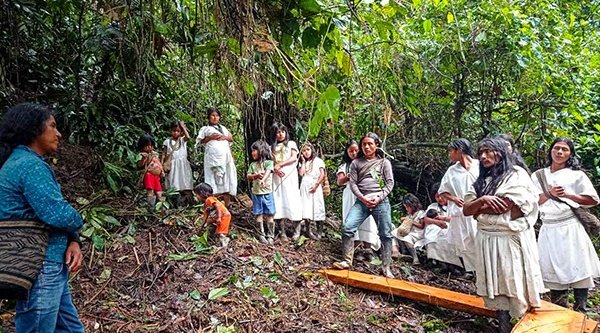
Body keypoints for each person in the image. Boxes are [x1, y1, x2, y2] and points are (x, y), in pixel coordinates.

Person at [0, 103, 85, 332]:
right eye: (53, 126)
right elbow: (57, 213)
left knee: (70, 329)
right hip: (41, 266)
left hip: (49, 262)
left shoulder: (21, 162)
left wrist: (74, 239)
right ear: (34, 130)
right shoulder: (30, 166)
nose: (58, 133)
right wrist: (79, 222)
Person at [463, 137, 544, 332]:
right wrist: (483, 199)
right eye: (480, 153)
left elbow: (507, 207)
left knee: (512, 279)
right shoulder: (481, 180)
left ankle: (522, 323)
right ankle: (503, 323)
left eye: (488, 151)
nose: (483, 156)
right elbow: (466, 209)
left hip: (508, 238)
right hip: (487, 238)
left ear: (500, 153)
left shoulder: (517, 175)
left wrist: (478, 209)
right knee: (495, 281)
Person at [531, 137, 600, 311]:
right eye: (556, 148)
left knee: (579, 266)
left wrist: (569, 195)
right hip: (549, 227)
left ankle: (581, 310)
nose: (560, 152)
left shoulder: (577, 175)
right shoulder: (538, 175)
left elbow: (592, 200)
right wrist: (550, 193)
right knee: (553, 268)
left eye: (564, 149)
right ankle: (559, 310)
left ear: (570, 154)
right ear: (550, 150)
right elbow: (532, 202)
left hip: (571, 227)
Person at [333, 132, 395, 278]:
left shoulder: (384, 162)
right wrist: (362, 197)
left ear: (376, 145)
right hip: (361, 201)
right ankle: (347, 260)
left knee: (385, 234)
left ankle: (386, 267)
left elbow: (390, 183)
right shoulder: (356, 163)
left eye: (370, 144)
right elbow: (353, 183)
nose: (366, 147)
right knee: (348, 227)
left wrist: (379, 197)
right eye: (364, 144)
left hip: (380, 201)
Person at [438, 138, 479, 273]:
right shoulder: (452, 171)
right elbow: (443, 191)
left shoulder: (478, 166)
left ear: (459, 150)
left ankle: (483, 271)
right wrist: (454, 198)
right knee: (464, 243)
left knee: (479, 240)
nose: (449, 154)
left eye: (451, 151)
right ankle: (472, 271)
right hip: (460, 213)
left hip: (478, 211)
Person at [336, 140, 381, 261]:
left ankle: (368, 248)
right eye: (351, 151)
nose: (354, 153)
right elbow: (339, 181)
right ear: (347, 152)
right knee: (352, 220)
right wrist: (348, 176)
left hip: (365, 193)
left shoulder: (366, 162)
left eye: (356, 150)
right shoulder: (344, 166)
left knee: (367, 220)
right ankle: (355, 249)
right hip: (350, 194)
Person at [196, 107, 237, 207]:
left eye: (217, 116)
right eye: (212, 115)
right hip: (212, 159)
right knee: (212, 180)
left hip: (225, 158)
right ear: (209, 117)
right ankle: (214, 205)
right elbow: (200, 141)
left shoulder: (223, 128)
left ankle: (227, 206)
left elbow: (231, 138)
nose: (215, 118)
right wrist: (210, 138)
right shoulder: (205, 129)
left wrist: (224, 137)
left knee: (226, 179)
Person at [419, 182, 463, 274]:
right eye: (437, 196)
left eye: (442, 196)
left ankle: (454, 266)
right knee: (432, 234)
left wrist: (444, 220)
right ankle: (442, 264)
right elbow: (425, 219)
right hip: (436, 231)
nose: (439, 199)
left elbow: (460, 219)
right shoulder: (433, 206)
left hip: (452, 230)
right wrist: (437, 222)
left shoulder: (455, 206)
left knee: (449, 239)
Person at [270, 122, 302, 241]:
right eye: (278, 132)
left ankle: (296, 231)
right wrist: (275, 168)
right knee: (278, 201)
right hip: (277, 179)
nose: (280, 134)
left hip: (290, 177)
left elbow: (294, 158)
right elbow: (270, 163)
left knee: (293, 200)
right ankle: (282, 231)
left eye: (282, 132)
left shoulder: (291, 144)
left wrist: (280, 165)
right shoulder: (271, 148)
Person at [247, 140, 276, 244]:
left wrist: (263, 179)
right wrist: (255, 176)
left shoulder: (269, 163)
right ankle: (261, 234)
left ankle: (271, 235)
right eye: (252, 151)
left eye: (255, 150)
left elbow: (268, 171)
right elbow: (248, 176)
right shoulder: (253, 165)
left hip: (268, 192)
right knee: (258, 213)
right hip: (256, 193)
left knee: (270, 214)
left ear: (261, 150)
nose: (253, 153)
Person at [298, 142, 326, 240]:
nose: (306, 152)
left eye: (308, 150)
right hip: (305, 186)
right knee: (306, 208)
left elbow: (322, 174)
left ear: (312, 150)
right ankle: (308, 230)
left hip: (315, 185)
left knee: (318, 207)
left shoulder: (318, 161)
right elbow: (301, 174)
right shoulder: (302, 162)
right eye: (304, 151)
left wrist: (317, 184)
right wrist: (303, 162)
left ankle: (319, 231)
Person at [162, 120, 193, 206]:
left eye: (178, 131)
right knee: (173, 183)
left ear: (181, 132)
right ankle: (173, 204)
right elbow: (163, 154)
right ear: (170, 131)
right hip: (172, 165)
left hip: (183, 165)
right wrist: (162, 166)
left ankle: (187, 203)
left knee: (185, 183)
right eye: (174, 131)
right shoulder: (167, 142)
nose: (175, 133)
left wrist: (183, 127)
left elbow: (188, 137)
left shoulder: (182, 140)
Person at [193, 182, 231, 247]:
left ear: (201, 193)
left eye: (196, 195)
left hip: (224, 216)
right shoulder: (206, 204)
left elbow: (218, 207)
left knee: (221, 233)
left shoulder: (209, 199)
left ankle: (224, 245)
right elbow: (206, 217)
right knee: (218, 232)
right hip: (223, 215)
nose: (196, 197)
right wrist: (201, 228)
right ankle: (222, 245)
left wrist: (219, 217)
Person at [392, 194, 425, 265]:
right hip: (411, 232)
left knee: (406, 237)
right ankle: (403, 253)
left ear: (413, 205)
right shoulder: (409, 215)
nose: (406, 209)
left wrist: (411, 221)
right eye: (405, 207)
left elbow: (422, 226)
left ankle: (415, 258)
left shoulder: (421, 213)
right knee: (396, 232)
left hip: (418, 233)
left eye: (407, 207)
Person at [137, 133, 164, 211]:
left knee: (159, 192)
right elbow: (140, 165)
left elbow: (159, 163)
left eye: (151, 145)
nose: (149, 147)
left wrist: (162, 171)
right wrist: (144, 159)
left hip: (156, 176)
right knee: (150, 191)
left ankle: (160, 208)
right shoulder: (141, 155)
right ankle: (151, 208)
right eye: (147, 146)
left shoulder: (155, 154)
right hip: (149, 175)